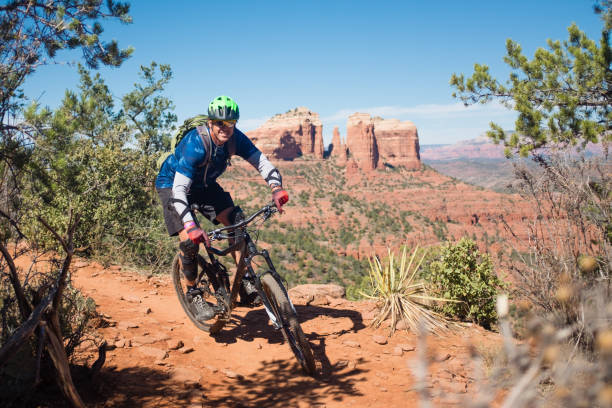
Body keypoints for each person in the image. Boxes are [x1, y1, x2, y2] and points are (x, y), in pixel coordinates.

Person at [155, 95, 288, 321]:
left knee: (237, 220)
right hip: (173, 185)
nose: (226, 128)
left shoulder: (236, 139)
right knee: (189, 240)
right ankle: (193, 293)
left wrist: (276, 188)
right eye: (220, 123)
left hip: (204, 186)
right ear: (210, 122)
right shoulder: (195, 144)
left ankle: (244, 282)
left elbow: (262, 163)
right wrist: (191, 225)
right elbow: (179, 190)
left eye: (231, 123)